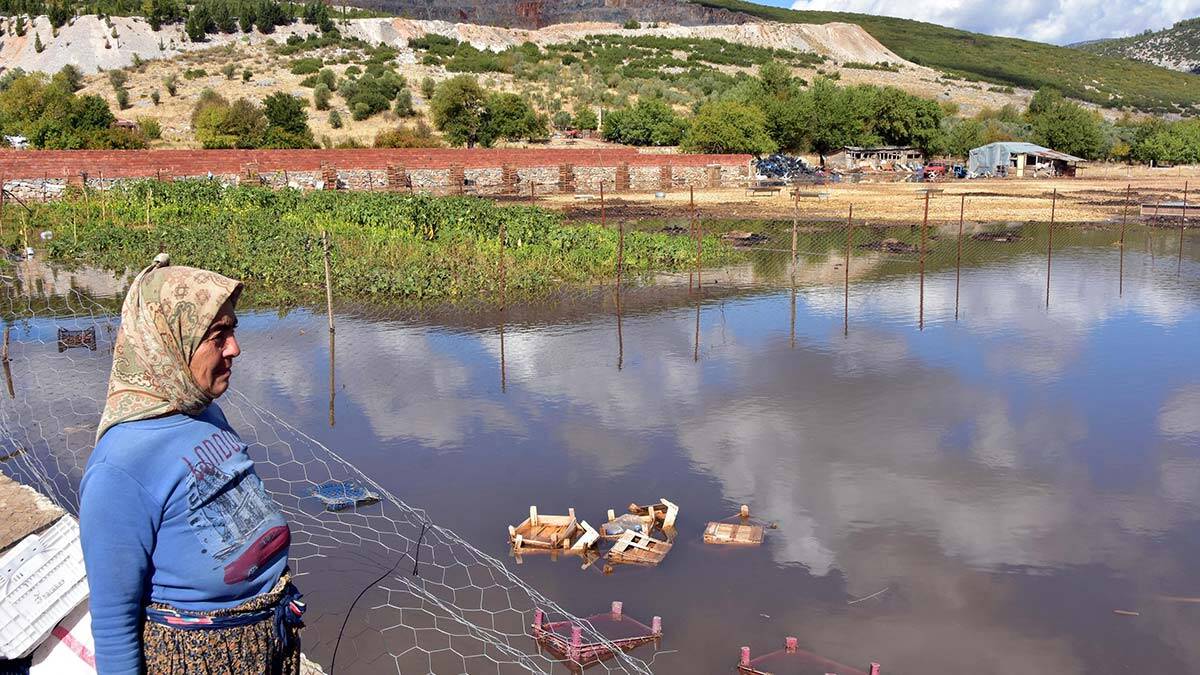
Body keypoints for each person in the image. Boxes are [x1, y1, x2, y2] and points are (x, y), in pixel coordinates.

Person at [80, 254, 303, 675]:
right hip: (199, 661)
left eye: (232, 330)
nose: (234, 348)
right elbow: (113, 624)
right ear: (169, 341)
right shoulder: (120, 469)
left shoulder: (203, 412)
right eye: (218, 336)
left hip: (271, 640)